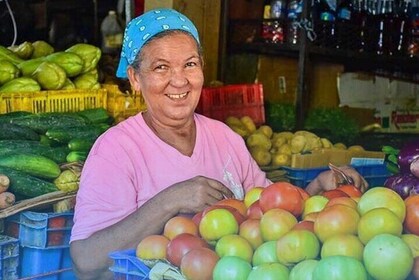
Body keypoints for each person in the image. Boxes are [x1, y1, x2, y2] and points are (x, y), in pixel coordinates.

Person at [70, 8, 367, 279]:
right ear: (135, 78)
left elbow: (266, 213)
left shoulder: (225, 138)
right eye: (161, 67)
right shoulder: (116, 150)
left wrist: (317, 188)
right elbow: (85, 259)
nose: (179, 80)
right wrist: (169, 201)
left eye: (190, 64)